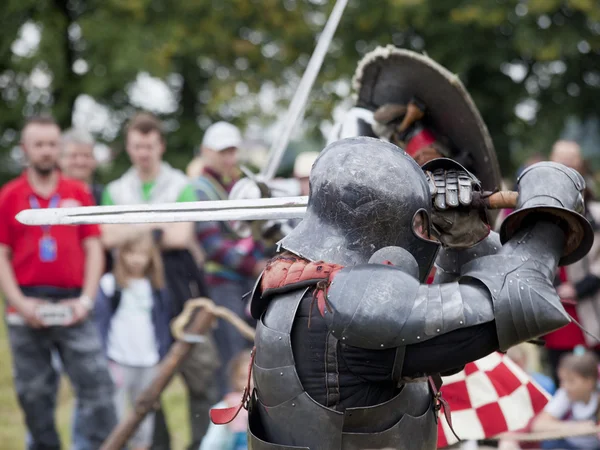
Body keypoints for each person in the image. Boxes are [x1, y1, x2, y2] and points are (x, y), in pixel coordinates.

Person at [216, 136, 591, 450]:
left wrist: (468, 242)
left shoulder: (294, 280)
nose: (426, 236)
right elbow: (525, 299)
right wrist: (549, 209)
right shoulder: (352, 305)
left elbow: (443, 347)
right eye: (418, 224)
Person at [101, 112, 218, 450]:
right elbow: (106, 237)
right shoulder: (115, 189)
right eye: (137, 146)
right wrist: (154, 228)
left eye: (149, 146)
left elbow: (181, 235)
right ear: (129, 146)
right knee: (147, 389)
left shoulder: (181, 185)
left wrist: (130, 231)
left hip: (180, 292)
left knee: (200, 376)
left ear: (160, 146)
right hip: (136, 299)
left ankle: (202, 444)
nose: (143, 153)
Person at [0, 115, 116, 450]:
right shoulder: (9, 196)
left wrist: (85, 301)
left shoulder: (77, 192)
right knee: (33, 393)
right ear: (25, 149)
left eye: (52, 144)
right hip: (26, 305)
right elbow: (2, 256)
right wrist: (21, 304)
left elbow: (94, 248)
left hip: (74, 303)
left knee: (97, 388)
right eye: (39, 144)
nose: (46, 151)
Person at [194, 121, 267, 398]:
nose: (230, 158)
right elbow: (212, 244)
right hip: (221, 284)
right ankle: (229, 419)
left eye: (233, 151)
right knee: (232, 352)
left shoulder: (239, 185)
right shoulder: (199, 189)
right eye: (223, 152)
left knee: (255, 348)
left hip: (248, 282)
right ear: (207, 152)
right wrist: (255, 264)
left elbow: (257, 231)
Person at [94, 232, 172, 450]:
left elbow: (162, 324)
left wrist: (162, 355)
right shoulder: (109, 285)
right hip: (118, 360)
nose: (136, 259)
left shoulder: (155, 288)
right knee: (117, 417)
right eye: (131, 253)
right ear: (121, 255)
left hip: (148, 360)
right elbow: (100, 323)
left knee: (144, 418)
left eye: (143, 254)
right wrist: (103, 356)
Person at [544, 140, 600, 383]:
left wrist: (581, 287)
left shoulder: (596, 211)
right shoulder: (537, 208)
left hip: (590, 305)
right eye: (561, 160)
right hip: (553, 305)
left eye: (571, 160)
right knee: (562, 375)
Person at [531, 349, 600, 449]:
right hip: (570, 445)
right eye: (562, 380)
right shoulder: (565, 393)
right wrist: (575, 427)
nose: (565, 386)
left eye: (571, 381)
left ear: (589, 382)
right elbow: (538, 425)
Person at [200, 349, 252, 450]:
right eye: (243, 377)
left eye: (254, 375)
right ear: (235, 379)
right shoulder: (226, 407)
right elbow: (211, 443)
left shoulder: (270, 405)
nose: (250, 382)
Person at [60, 128, 104, 205]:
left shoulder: (104, 195)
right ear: (60, 159)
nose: (80, 162)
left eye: (86, 155)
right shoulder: (49, 194)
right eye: (73, 155)